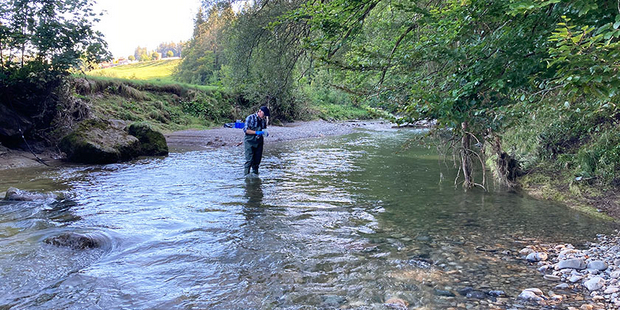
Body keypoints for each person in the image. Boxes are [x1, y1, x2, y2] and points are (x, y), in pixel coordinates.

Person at [243, 106, 270, 175]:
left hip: (259, 142)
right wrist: (256, 132)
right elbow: (246, 130)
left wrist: (265, 133)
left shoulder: (263, 121)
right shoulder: (250, 118)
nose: (264, 117)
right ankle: (246, 176)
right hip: (249, 141)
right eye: (264, 115)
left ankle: (255, 176)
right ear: (260, 111)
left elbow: (264, 130)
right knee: (249, 160)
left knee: (257, 161)